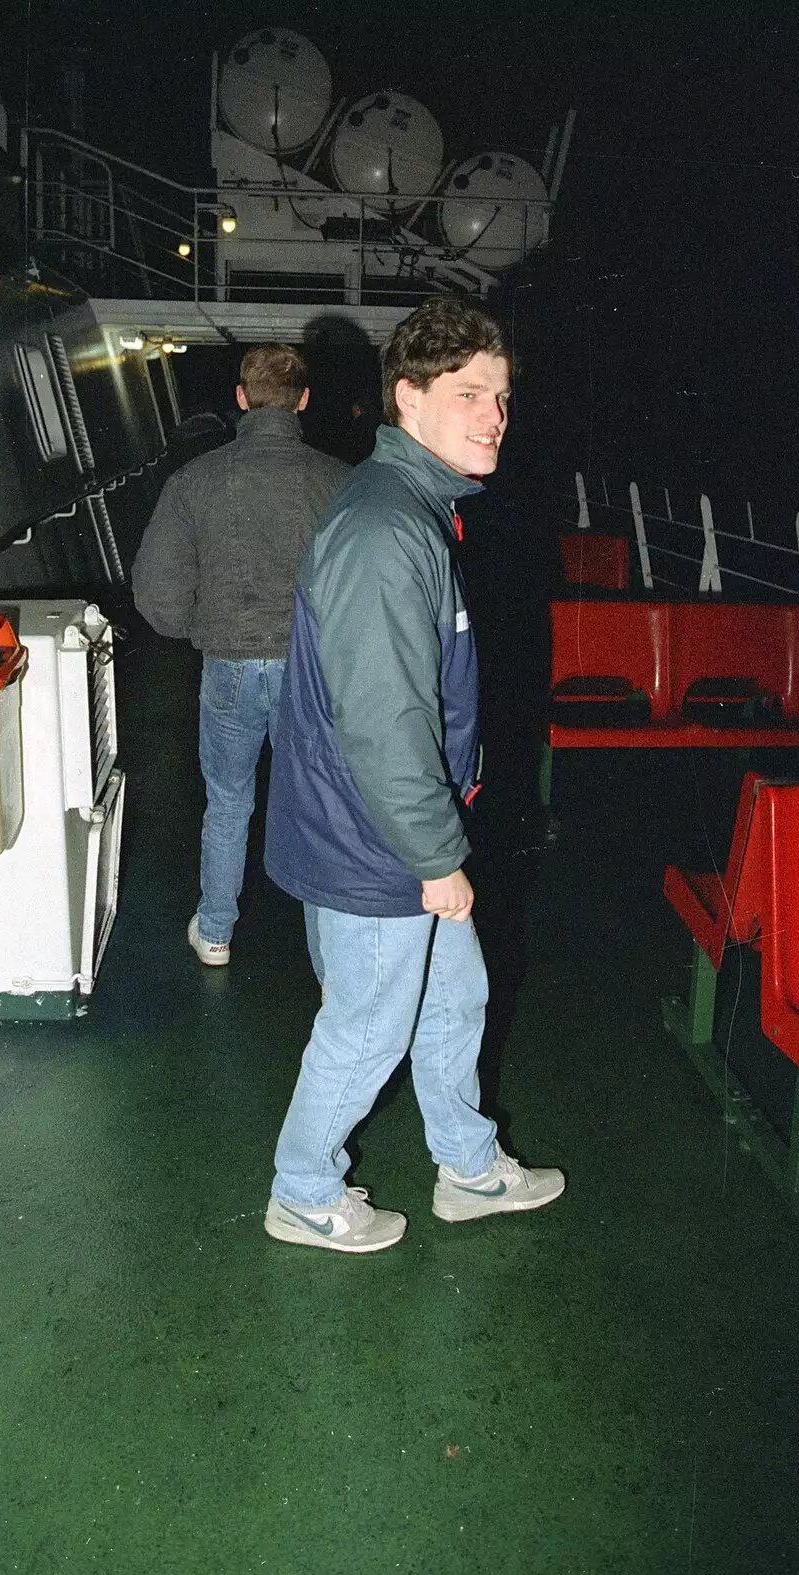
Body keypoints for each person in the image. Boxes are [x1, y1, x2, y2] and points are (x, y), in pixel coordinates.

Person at [261, 297, 566, 1253]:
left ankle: (468, 1168)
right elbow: (387, 722)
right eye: (469, 392)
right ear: (408, 398)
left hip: (384, 830)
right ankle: (303, 1191)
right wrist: (437, 857)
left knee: (456, 996)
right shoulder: (388, 532)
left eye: (503, 397)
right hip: (374, 840)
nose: (493, 416)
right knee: (366, 1028)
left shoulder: (413, 511)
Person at [132, 344, 349, 965]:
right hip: (308, 669)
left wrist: (197, 626)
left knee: (228, 802)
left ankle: (217, 933)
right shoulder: (337, 480)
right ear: (303, 401)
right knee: (315, 805)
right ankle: (330, 958)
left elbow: (155, 590)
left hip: (227, 663)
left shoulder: (194, 480)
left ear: (240, 398)